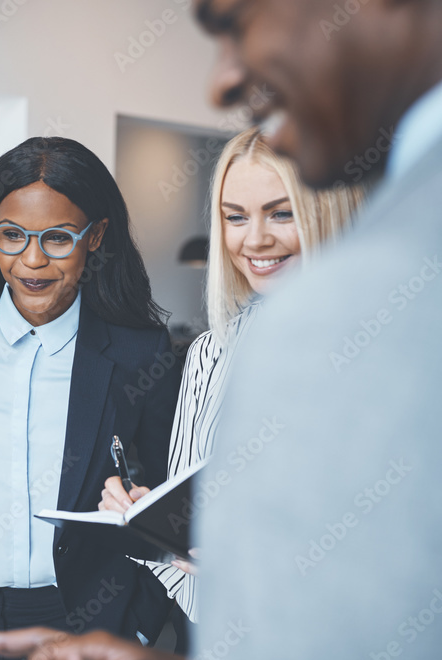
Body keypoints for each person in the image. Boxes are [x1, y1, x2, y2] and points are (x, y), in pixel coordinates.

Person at [0, 0, 442, 660]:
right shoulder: (213, 351)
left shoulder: (367, 302)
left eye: (233, 23)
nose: (222, 81)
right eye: (235, 216)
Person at [0, 136, 181, 660]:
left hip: (82, 621)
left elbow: (167, 498)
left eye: (56, 238)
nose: (32, 260)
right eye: (12, 236)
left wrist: (140, 622)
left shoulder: (141, 355)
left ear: (95, 236)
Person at [98, 127, 364, 629]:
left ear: (327, 213)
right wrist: (149, 521)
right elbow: (188, 537)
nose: (255, 238)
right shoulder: (208, 355)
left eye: (281, 213)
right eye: (235, 217)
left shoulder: (388, 350)